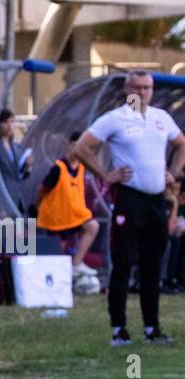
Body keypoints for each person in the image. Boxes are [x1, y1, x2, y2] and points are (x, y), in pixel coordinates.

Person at [74, 69, 185, 346]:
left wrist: (174, 172)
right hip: (129, 197)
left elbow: (181, 143)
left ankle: (152, 328)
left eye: (147, 88)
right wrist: (105, 175)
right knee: (123, 264)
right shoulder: (115, 119)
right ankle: (119, 329)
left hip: (156, 198)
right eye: (136, 88)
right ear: (127, 89)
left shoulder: (161, 118)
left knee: (152, 265)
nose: (142, 93)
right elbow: (82, 148)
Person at [36, 132, 100, 285]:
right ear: (70, 145)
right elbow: (42, 190)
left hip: (74, 215)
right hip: (57, 217)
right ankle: (57, 281)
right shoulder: (58, 168)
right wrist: (42, 207)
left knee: (93, 226)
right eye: (76, 145)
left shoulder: (81, 168)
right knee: (59, 249)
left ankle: (76, 264)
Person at [0, 108, 32, 215]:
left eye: (12, 122)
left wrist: (27, 166)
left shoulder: (16, 148)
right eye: (5, 122)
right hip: (3, 204)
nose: (10, 126)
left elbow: (20, 175)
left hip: (17, 202)